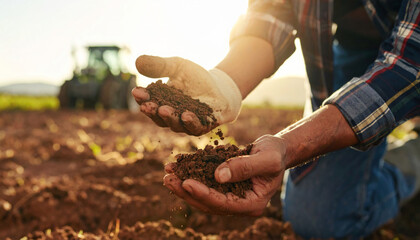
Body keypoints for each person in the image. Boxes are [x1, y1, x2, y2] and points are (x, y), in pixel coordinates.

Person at [131, 0, 420, 238]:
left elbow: (409, 66)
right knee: (319, 222)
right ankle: (412, 156)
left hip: (410, 56)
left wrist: (288, 146)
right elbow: (272, 12)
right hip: (355, 48)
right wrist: (225, 82)